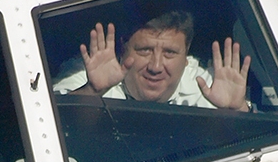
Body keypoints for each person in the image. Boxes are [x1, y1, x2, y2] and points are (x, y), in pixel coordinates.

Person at [53, 11, 252, 111]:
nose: (156, 67)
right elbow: (49, 127)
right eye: (145, 50)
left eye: (170, 53)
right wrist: (92, 92)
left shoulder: (209, 87)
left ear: (186, 56)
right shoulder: (90, 72)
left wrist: (238, 110)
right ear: (123, 48)